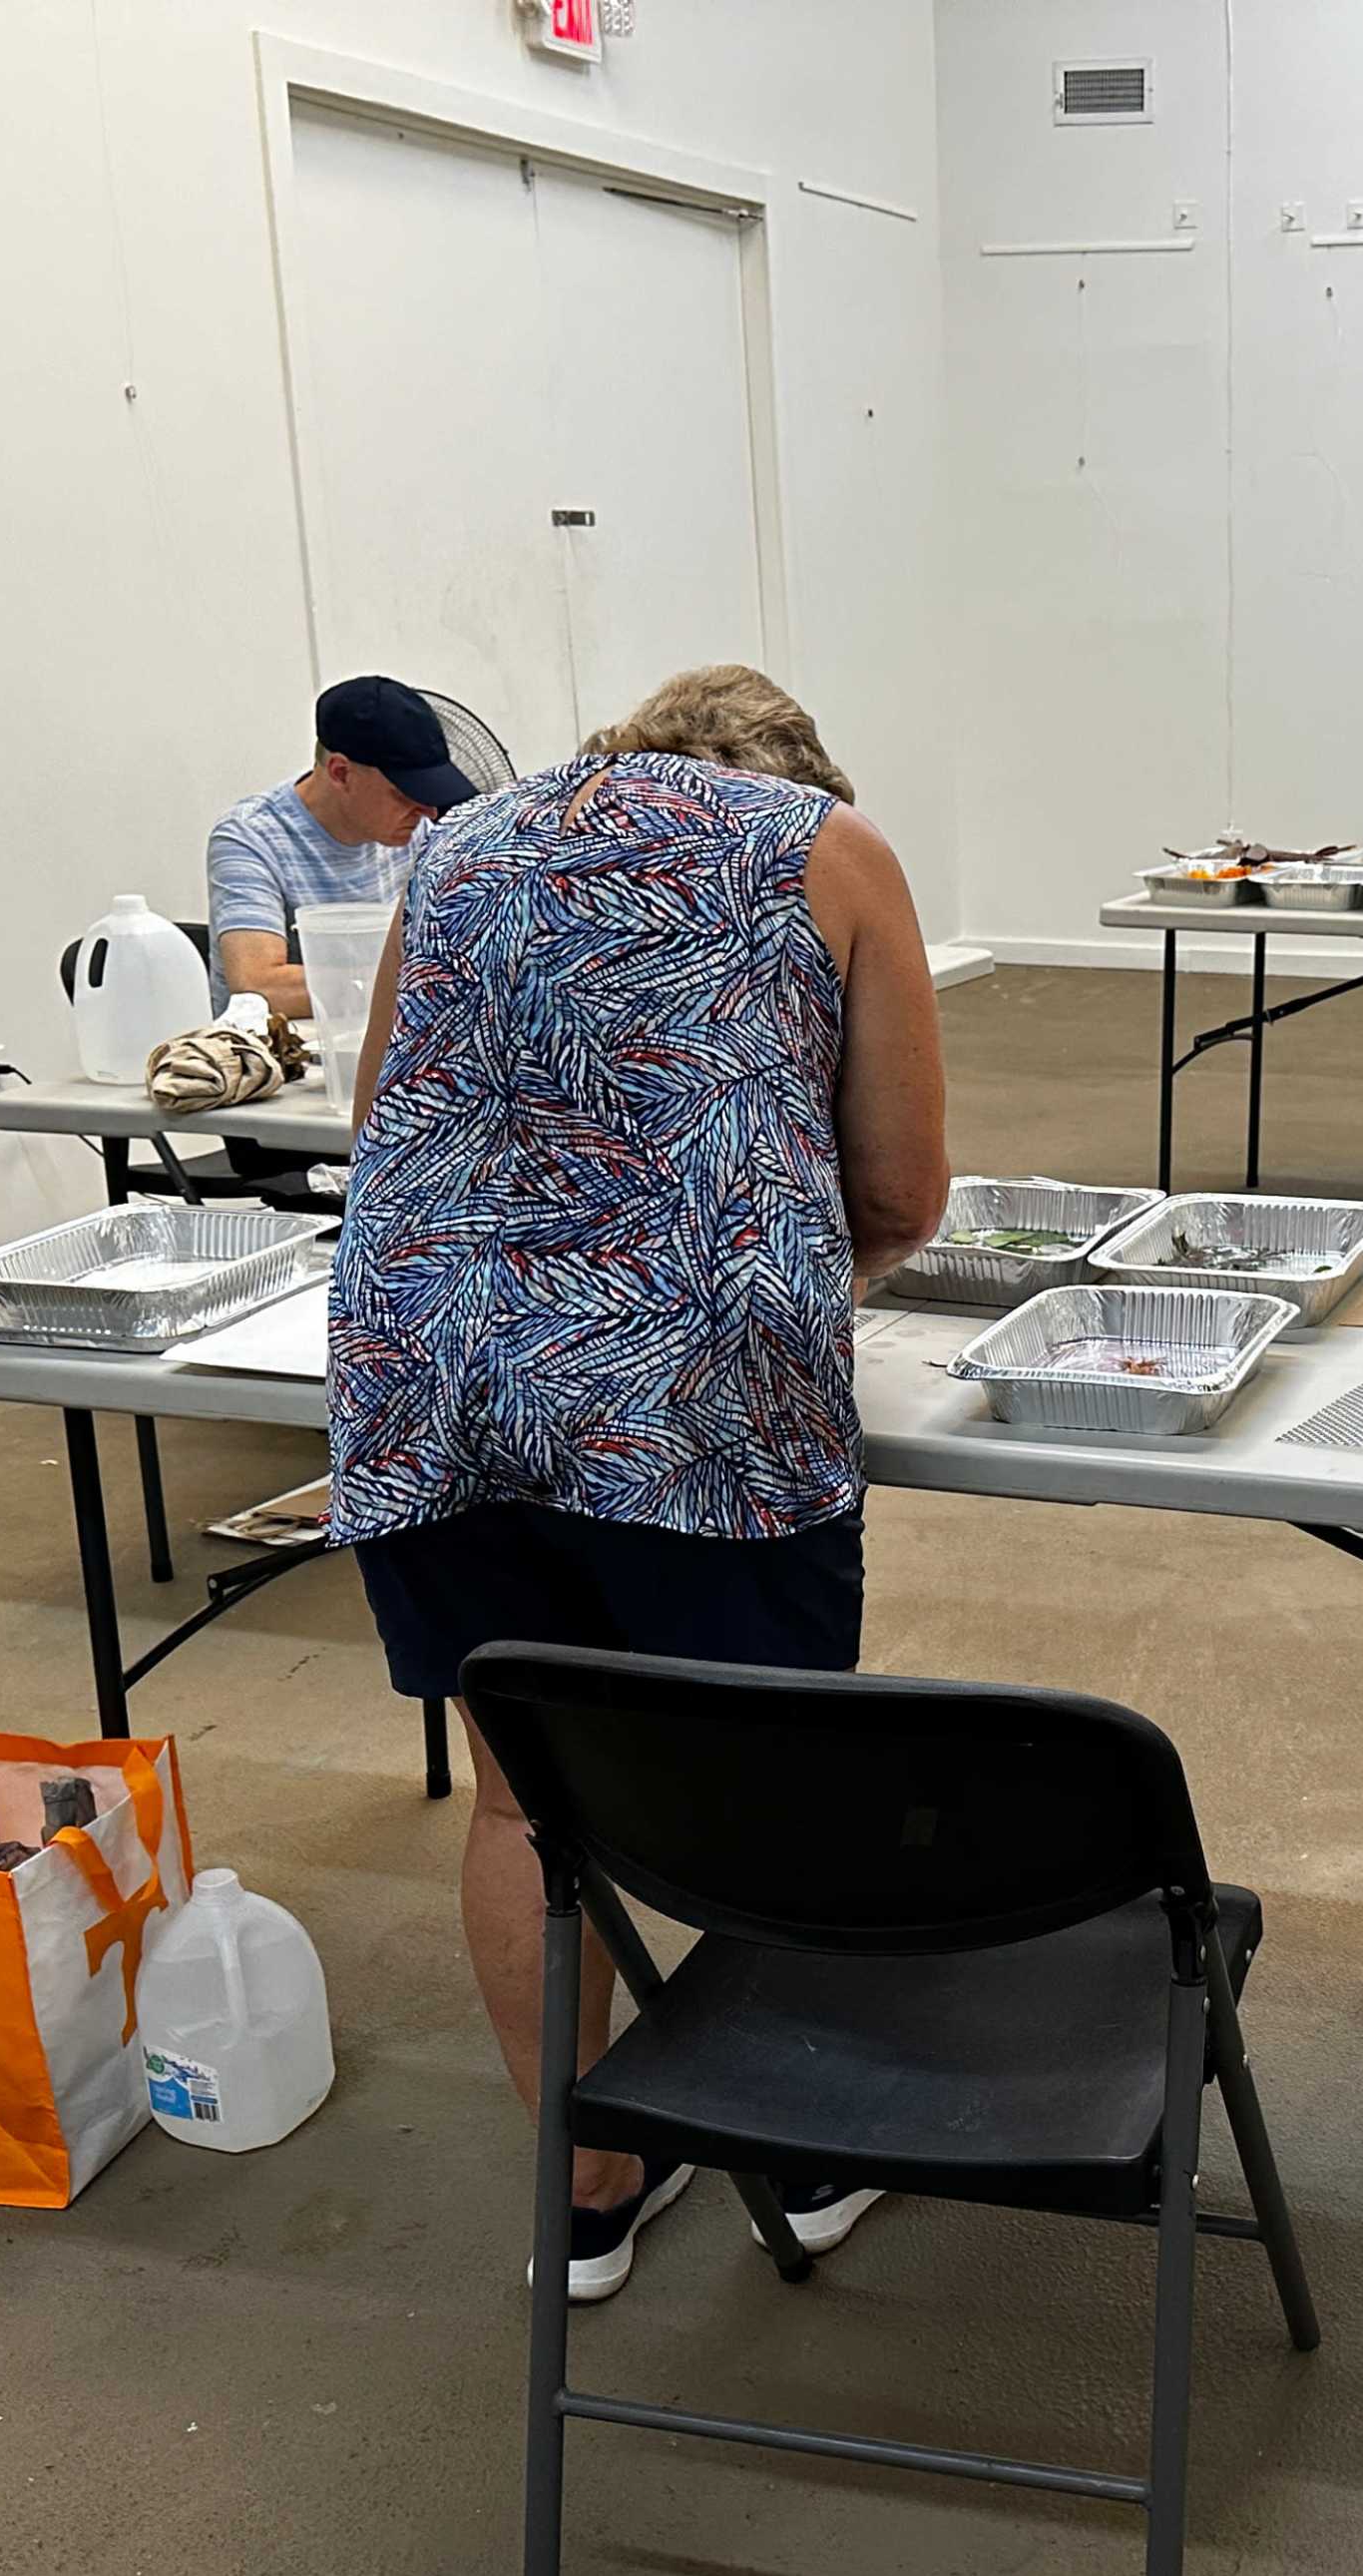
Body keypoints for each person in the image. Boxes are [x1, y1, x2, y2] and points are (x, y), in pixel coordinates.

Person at [325, 665, 950, 2301]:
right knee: (769, 1788)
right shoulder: (831, 848)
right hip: (702, 1405)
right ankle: (809, 2164)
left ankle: (593, 2199)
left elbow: (380, 1113)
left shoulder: (455, 852)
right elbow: (897, 1179)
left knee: (524, 1797)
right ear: (799, 770)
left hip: (437, 1379)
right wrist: (793, 1279)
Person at [202, 676, 478, 1013]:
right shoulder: (250, 837)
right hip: (291, 1058)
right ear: (340, 773)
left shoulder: (417, 829)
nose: (429, 812)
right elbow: (260, 986)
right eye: (407, 794)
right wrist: (422, 978)